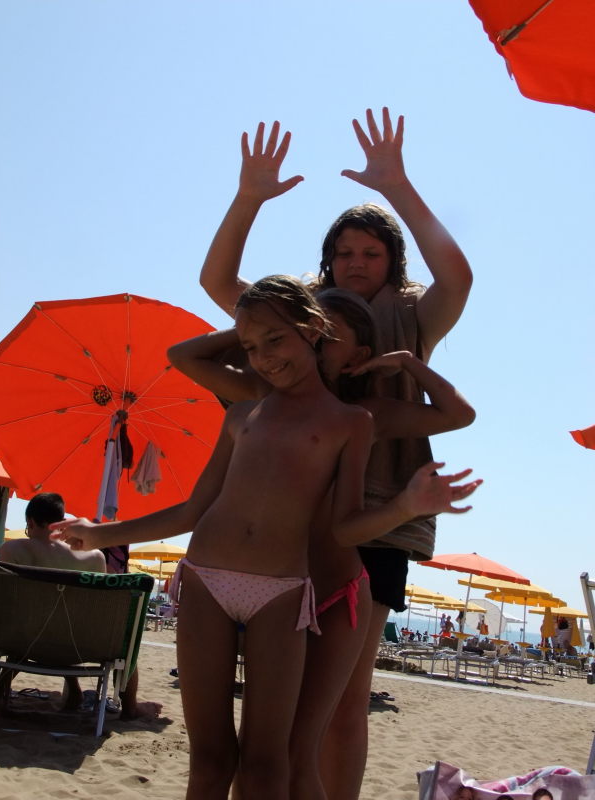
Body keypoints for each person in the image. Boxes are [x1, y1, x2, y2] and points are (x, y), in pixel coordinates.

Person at [51, 276, 480, 800]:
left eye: (276, 339)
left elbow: (346, 527)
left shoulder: (354, 422)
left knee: (266, 764)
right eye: (251, 347)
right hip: (205, 580)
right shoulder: (242, 413)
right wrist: (102, 533)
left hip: (284, 593)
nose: (264, 357)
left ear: (313, 330)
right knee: (209, 761)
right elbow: (193, 510)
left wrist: (404, 507)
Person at [198, 108, 473, 799]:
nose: (356, 263)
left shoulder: (410, 314)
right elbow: (220, 285)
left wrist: (397, 186)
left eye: (371, 253)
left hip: (378, 523)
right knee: (280, 707)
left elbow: (458, 279)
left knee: (345, 700)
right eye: (345, 252)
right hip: (296, 524)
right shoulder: (303, 314)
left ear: (393, 262)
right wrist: (248, 198)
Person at [0, 492, 106, 710]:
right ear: (62, 521)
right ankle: (77, 690)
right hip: (77, 646)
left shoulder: (12, 549)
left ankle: (0, 686)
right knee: (61, 623)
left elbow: (8, 602)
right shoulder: (95, 557)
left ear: (30, 522)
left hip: (25, 641)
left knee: (25, 621)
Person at [100, 543, 163, 721]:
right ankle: (130, 707)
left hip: (54, 641)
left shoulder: (69, 556)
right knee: (127, 650)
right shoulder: (109, 560)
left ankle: (74, 691)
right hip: (108, 642)